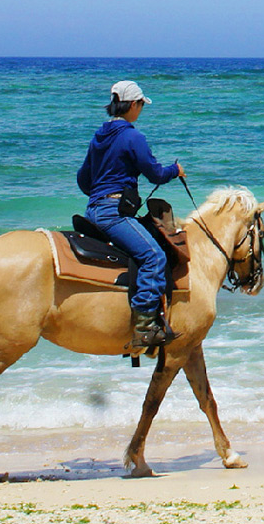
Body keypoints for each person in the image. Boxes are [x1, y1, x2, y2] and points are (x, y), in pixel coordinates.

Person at [77, 80, 186, 348]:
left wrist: (102, 193)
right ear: (133, 104)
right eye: (141, 105)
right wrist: (176, 170)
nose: (141, 111)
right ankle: (144, 327)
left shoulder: (99, 136)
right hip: (112, 213)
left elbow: (83, 179)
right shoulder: (133, 137)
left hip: (93, 209)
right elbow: (156, 174)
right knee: (153, 255)